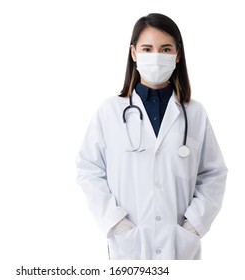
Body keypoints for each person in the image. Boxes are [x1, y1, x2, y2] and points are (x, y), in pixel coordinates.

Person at [75, 13, 227, 260]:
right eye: (148, 48)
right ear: (134, 53)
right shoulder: (110, 111)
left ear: (177, 55)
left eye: (165, 49)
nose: (157, 56)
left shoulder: (194, 113)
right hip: (129, 246)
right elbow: (89, 169)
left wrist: (193, 226)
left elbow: (213, 173)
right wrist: (116, 224)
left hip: (180, 247)